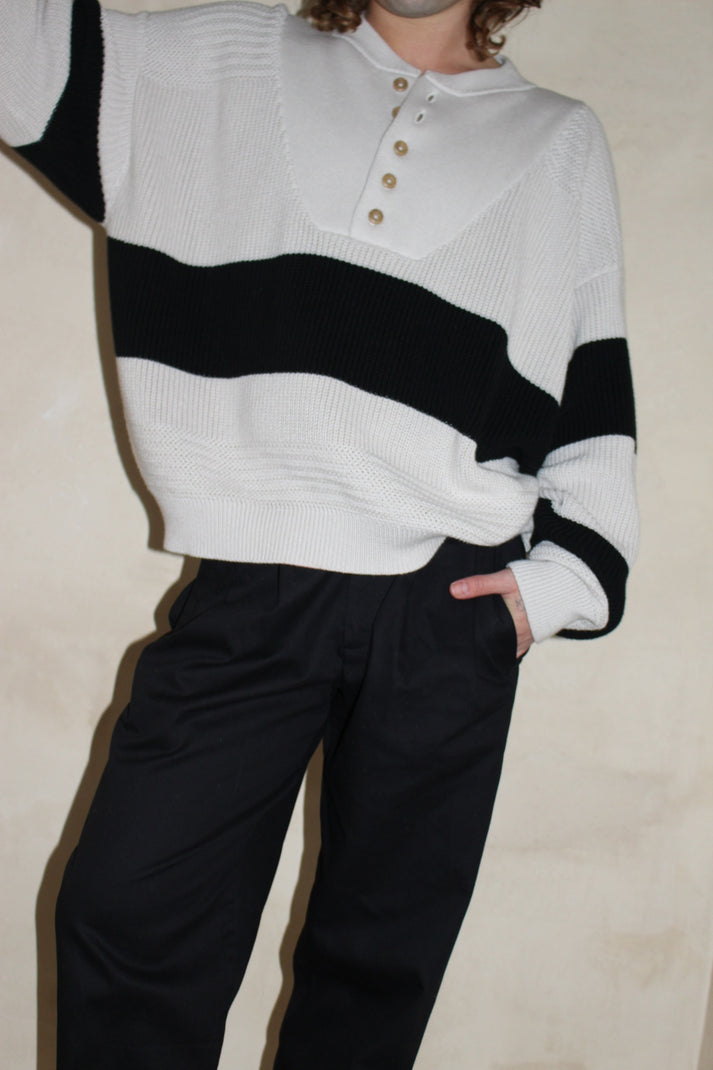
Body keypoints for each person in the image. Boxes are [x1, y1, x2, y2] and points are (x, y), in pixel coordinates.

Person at [0, 0, 638, 1066]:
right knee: (123, 914)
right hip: (251, 587)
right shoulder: (218, 61)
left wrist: (558, 586)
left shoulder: (555, 138)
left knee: (373, 974)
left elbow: (593, 388)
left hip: (449, 607)